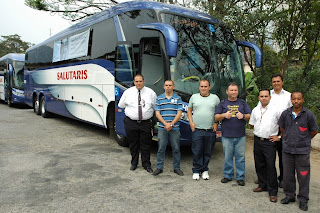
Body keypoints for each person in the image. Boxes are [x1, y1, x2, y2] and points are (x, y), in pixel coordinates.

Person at [278, 92, 318, 211]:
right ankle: (289, 195)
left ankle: (303, 199)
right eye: (294, 99)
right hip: (287, 150)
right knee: (288, 175)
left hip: (302, 151)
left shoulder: (309, 115)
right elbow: (282, 129)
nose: (296, 101)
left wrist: (304, 140)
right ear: (291, 100)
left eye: (299, 99)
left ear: (303, 100)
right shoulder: (285, 114)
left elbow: (314, 131)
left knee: (303, 176)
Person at [255, 73, 292, 187]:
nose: (276, 83)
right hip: (268, 130)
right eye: (274, 81)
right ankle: (264, 179)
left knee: (282, 157)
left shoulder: (288, 96)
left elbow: (292, 112)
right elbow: (258, 109)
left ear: (282, 82)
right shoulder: (266, 94)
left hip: (282, 130)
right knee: (267, 158)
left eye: (278, 81)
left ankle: (282, 179)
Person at [118, 74, 157, 173]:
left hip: (146, 123)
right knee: (133, 144)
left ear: (144, 81)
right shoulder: (128, 92)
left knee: (146, 144)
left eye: (140, 81)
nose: (138, 83)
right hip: (131, 122)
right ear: (134, 82)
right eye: (136, 81)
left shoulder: (151, 93)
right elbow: (121, 105)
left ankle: (146, 164)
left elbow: (155, 106)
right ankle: (134, 163)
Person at [215, 82, 251, 186]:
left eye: (235, 90)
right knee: (227, 157)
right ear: (227, 91)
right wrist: (224, 115)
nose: (233, 92)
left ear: (237, 91)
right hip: (227, 135)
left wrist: (243, 116)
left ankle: (240, 177)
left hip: (240, 135)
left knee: (241, 157)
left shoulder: (243, 103)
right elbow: (216, 117)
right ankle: (228, 175)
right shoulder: (222, 103)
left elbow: (249, 115)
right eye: (231, 90)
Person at [249, 89, 282, 202]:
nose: (264, 98)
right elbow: (252, 124)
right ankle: (262, 185)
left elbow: (283, 125)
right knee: (259, 164)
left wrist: (279, 137)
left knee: (270, 166)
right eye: (262, 96)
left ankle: (273, 192)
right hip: (258, 140)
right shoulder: (255, 110)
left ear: (270, 97)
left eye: (266, 96)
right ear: (259, 98)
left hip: (270, 142)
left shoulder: (276, 111)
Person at [187, 79, 220, 180]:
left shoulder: (215, 98)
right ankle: (196, 170)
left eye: (205, 86)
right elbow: (189, 110)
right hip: (197, 129)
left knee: (207, 151)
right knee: (197, 151)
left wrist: (216, 123)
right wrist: (191, 122)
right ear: (199, 87)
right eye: (201, 86)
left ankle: (205, 170)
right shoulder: (194, 97)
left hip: (210, 130)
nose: (203, 88)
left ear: (209, 87)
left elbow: (218, 112)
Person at [153, 80, 184, 176]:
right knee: (161, 148)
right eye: (166, 85)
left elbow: (179, 113)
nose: (168, 87)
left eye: (170, 85)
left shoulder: (178, 98)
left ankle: (177, 168)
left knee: (176, 149)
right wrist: (166, 124)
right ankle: (159, 167)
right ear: (164, 86)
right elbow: (157, 114)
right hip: (162, 128)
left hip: (175, 128)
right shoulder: (159, 98)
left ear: (173, 87)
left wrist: (171, 124)